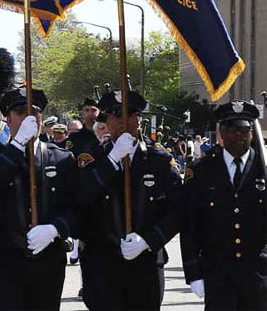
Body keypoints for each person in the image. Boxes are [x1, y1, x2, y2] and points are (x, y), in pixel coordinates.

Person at [76, 90, 183, 311]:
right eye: (115, 116)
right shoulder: (91, 158)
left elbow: (179, 210)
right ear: (107, 119)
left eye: (129, 115)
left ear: (138, 119)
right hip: (102, 266)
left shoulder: (159, 160)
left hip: (145, 264)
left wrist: (149, 240)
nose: (122, 121)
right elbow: (79, 199)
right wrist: (112, 160)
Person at [0, 85, 78, 310]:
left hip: (48, 261)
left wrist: (55, 229)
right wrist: (16, 146)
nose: (28, 119)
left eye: (34, 113)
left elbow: (78, 207)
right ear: (8, 118)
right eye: (20, 113)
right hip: (5, 261)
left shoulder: (61, 159)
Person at [180, 100, 266, 310]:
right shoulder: (201, 170)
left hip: (259, 273)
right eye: (232, 128)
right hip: (218, 273)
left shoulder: (263, 168)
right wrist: (193, 271)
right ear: (221, 132)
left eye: (244, 129)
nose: (238, 134)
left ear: (252, 133)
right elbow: (190, 224)